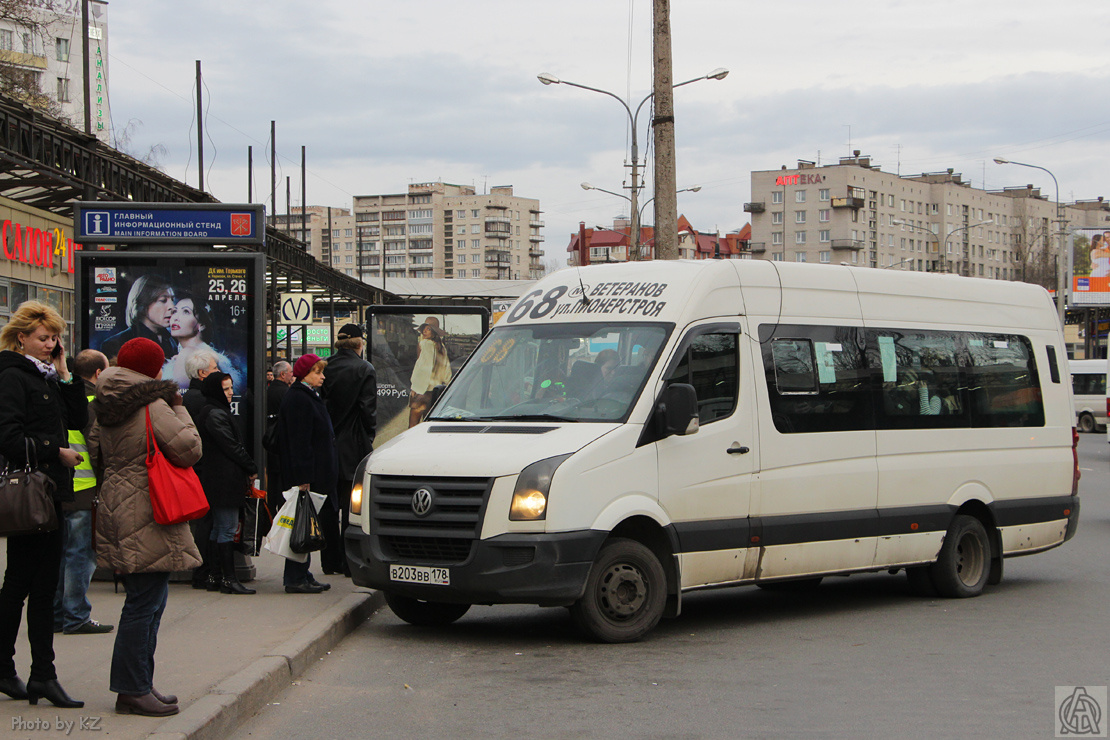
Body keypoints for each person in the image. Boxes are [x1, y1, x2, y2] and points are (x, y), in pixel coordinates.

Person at [88, 337, 201, 717]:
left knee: (147, 598)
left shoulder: (106, 401)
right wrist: (180, 410)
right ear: (152, 369)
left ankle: (140, 682)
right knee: (144, 603)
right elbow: (189, 448)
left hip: (118, 504)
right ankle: (132, 688)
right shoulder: (153, 404)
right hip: (149, 506)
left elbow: (94, 450)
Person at [0, 301, 87, 708]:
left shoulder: (48, 375)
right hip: (33, 495)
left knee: (28, 584)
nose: (50, 345)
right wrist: (58, 451)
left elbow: (78, 420)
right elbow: (10, 438)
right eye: (43, 338)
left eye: (54, 338)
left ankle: (26, 673)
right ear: (22, 338)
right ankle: (38, 675)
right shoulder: (13, 376)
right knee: (28, 585)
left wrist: (66, 372)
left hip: (49, 495)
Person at [54, 349, 114, 636]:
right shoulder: (92, 402)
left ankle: (56, 614)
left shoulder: (61, 395)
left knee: (61, 554)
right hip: (85, 488)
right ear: (99, 374)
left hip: (59, 488)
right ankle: (76, 614)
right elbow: (98, 448)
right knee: (81, 555)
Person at [274, 354, 336, 594]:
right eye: (318, 372)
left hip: (314, 474)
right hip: (307, 477)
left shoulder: (307, 395)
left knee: (307, 524)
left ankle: (303, 573)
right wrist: (303, 480)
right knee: (302, 525)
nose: (322, 376)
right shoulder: (299, 398)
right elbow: (300, 442)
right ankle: (295, 576)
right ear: (305, 374)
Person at [195, 372, 257, 595]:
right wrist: (251, 466)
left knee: (219, 528)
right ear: (215, 390)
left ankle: (215, 576)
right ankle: (228, 578)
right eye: (226, 389)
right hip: (224, 479)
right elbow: (231, 446)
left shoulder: (212, 411)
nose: (231, 393)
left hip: (217, 478)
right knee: (227, 528)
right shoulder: (215, 414)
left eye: (231, 388)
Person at [321, 324, 377, 577]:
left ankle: (328, 560)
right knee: (350, 506)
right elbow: (368, 411)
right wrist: (369, 437)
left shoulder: (324, 367)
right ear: (359, 344)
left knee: (328, 505)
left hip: (326, 443)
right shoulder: (364, 369)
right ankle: (347, 561)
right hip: (353, 445)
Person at [180, 349, 219, 590]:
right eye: (215, 369)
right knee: (207, 521)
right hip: (206, 467)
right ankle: (203, 570)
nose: (219, 372)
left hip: (193, 466)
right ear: (203, 373)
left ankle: (201, 569)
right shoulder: (204, 400)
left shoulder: (187, 398)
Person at [162, 292, 241, 392]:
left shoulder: (188, 354)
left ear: (201, 324)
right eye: (174, 312)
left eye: (186, 312)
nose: (176, 318)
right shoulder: (201, 353)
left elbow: (181, 398)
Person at [101, 275, 177, 362]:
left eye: (172, 299)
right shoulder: (116, 343)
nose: (172, 307)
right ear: (143, 303)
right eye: (163, 300)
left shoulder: (173, 339)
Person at [409, 316, 451, 427]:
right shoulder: (441, 348)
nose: (424, 331)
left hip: (422, 392)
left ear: (434, 332)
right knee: (427, 427)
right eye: (424, 328)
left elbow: (422, 367)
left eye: (428, 329)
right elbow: (447, 370)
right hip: (435, 393)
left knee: (412, 428)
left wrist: (415, 387)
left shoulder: (425, 344)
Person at [264, 361, 294, 514]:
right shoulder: (287, 393)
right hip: (282, 445)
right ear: (283, 374)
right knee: (283, 487)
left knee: (272, 485)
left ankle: (269, 516)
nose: (292, 375)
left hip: (268, 444)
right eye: (290, 372)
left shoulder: (267, 391)